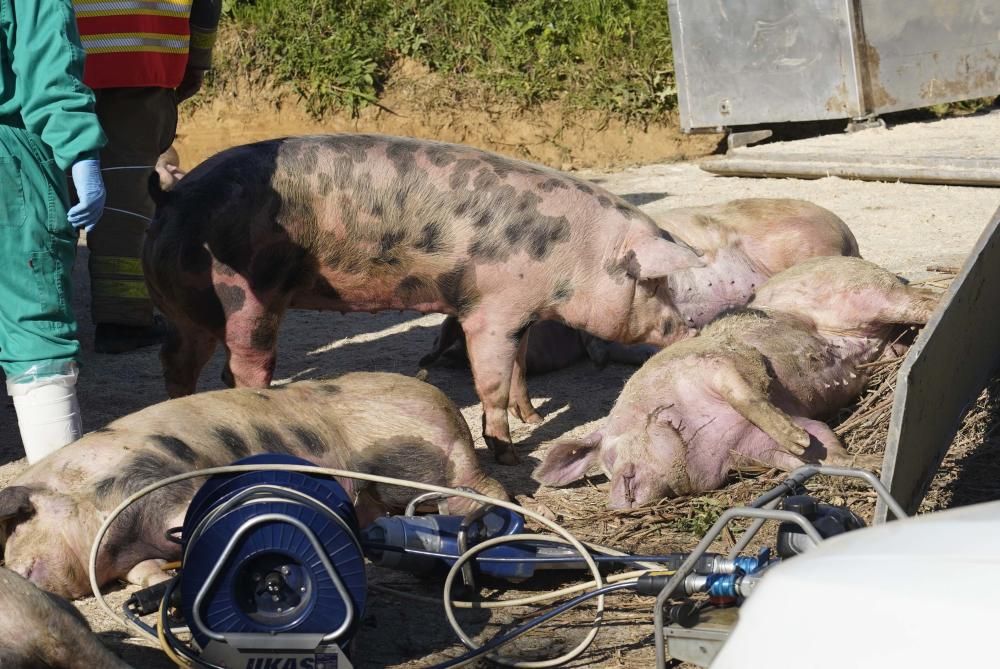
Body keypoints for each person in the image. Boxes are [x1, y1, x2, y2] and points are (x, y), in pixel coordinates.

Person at [75, 0, 221, 353]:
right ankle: (123, 319)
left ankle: (39, 318)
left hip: (48, 52)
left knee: (42, 188)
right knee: (127, 197)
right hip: (141, 56)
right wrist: (198, 61)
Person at [1, 0, 107, 463]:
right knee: (36, 327)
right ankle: (57, 511)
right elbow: (47, 67)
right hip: (10, 167)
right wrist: (81, 153)